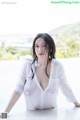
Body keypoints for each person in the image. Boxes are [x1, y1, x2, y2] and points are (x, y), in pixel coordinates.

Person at [0, 33, 80, 116]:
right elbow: (18, 89)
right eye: (37, 46)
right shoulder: (27, 65)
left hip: (52, 115)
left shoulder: (57, 66)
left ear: (50, 48)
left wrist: (76, 103)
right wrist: (5, 112)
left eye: (44, 46)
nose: (40, 49)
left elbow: (65, 86)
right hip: (31, 116)